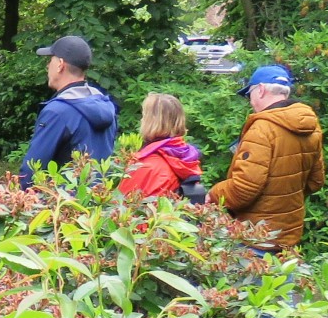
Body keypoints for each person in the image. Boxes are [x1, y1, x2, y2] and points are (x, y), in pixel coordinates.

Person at [210, 64, 325, 251]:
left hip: (256, 237)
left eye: (249, 94)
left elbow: (243, 189)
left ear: (261, 90)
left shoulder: (262, 129)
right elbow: (316, 181)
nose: (250, 101)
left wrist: (214, 194)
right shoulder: (312, 127)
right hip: (288, 236)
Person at [19, 35, 118, 188]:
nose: (47, 66)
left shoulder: (58, 112)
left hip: (63, 205)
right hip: (99, 203)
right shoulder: (106, 105)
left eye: (50, 60)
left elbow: (32, 171)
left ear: (60, 64)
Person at [119, 93, 207, 200]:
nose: (141, 121)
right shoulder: (185, 157)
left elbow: (121, 207)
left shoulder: (146, 165)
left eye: (144, 116)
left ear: (151, 122)